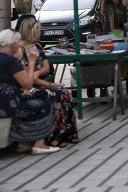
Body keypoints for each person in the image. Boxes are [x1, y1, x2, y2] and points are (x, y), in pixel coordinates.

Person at [16, 16, 79, 148]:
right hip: (29, 86)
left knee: (65, 93)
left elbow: (46, 67)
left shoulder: (36, 47)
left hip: (38, 82)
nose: (41, 32)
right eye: (39, 30)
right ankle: (52, 135)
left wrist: (38, 72)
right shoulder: (19, 50)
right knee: (53, 95)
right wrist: (50, 85)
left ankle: (67, 132)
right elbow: (28, 77)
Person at [0, 29, 59, 155]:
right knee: (45, 104)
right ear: (13, 44)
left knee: (29, 101)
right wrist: (32, 61)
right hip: (8, 107)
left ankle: (24, 143)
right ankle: (39, 144)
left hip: (6, 102)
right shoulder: (11, 62)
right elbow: (27, 83)